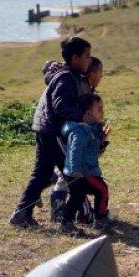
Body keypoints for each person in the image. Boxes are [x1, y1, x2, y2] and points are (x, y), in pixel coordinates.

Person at [10, 36, 91, 228]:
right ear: (75, 58)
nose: (90, 59)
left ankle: (22, 213)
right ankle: (67, 221)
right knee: (75, 176)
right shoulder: (65, 77)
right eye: (86, 56)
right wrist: (83, 115)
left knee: (42, 173)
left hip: (44, 129)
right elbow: (60, 106)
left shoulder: (67, 75)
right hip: (52, 131)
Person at [49, 55, 107, 222]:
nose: (101, 77)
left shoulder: (86, 88)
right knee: (68, 176)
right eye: (100, 73)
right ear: (91, 74)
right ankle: (63, 212)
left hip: (73, 138)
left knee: (68, 177)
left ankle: (76, 213)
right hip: (67, 137)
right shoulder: (80, 89)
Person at [61, 94, 111, 232]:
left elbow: (94, 150)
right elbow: (74, 150)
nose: (102, 112)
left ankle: (67, 223)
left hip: (84, 171)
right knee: (102, 190)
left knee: (76, 197)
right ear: (88, 113)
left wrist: (104, 137)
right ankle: (100, 218)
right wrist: (76, 170)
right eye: (99, 109)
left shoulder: (93, 128)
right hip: (82, 172)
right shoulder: (81, 130)